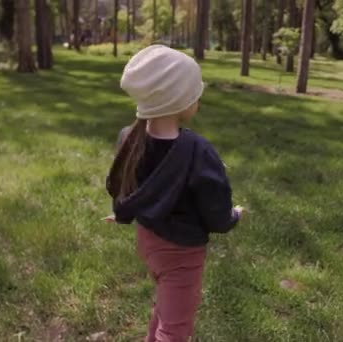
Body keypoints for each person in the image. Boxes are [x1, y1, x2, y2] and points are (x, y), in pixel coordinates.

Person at [105, 45, 244, 342]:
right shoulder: (198, 152)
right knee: (176, 329)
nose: (199, 98)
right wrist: (233, 217)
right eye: (195, 93)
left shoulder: (129, 137)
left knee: (166, 309)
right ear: (178, 100)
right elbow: (216, 212)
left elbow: (125, 185)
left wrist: (122, 213)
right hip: (182, 252)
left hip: (149, 242)